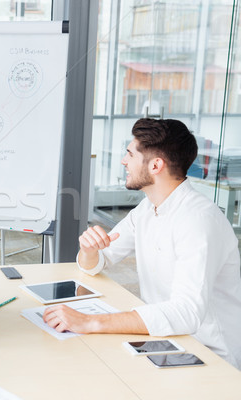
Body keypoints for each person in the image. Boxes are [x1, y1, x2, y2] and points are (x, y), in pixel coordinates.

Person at [43, 118, 241, 369]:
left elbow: (186, 313)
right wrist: (89, 250)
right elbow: (98, 261)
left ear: (156, 165)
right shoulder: (148, 208)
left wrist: (91, 322)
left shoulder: (198, 220)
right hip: (167, 339)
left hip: (210, 356)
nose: (124, 161)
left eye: (130, 154)